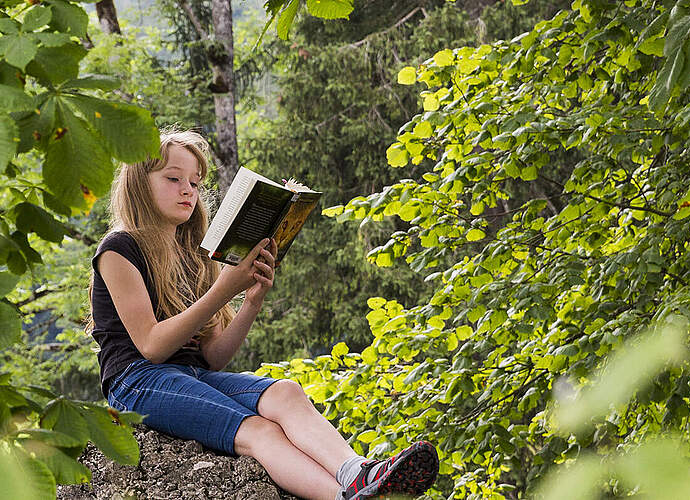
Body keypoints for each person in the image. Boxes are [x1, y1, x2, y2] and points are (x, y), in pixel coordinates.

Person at [88, 130, 438, 500]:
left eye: (194, 181)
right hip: (138, 381)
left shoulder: (193, 255)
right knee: (260, 431)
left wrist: (252, 299)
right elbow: (152, 346)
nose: (188, 190)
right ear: (139, 185)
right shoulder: (118, 249)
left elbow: (213, 357)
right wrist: (223, 289)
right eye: (173, 179)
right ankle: (340, 498)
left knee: (285, 392)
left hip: (193, 374)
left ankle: (358, 473)